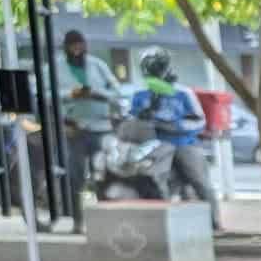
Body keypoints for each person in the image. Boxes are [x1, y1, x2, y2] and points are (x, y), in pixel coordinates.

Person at [126, 48, 217, 207]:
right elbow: (131, 122)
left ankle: (214, 222)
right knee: (153, 182)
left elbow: (199, 120)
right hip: (155, 146)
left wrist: (176, 126)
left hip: (184, 143)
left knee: (201, 181)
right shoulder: (140, 95)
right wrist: (144, 118)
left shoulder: (182, 93)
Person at [56, 30, 119, 195]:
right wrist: (72, 93)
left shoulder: (98, 65)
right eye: (72, 46)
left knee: (103, 170)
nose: (76, 49)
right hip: (73, 128)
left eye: (79, 45)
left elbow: (116, 92)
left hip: (100, 127)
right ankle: (75, 213)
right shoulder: (55, 67)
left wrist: (98, 93)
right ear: (66, 47)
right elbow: (44, 94)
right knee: (74, 174)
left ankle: (105, 207)